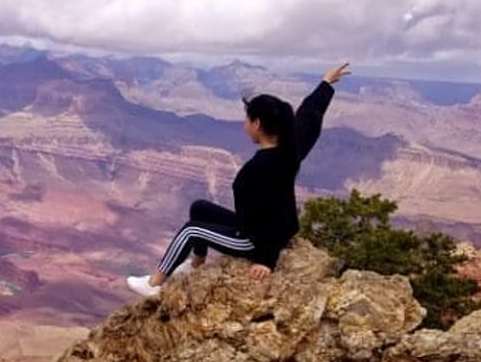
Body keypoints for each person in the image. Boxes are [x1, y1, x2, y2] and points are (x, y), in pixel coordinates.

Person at [126, 62, 352, 297]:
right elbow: (308, 118)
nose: (245, 125)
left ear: (257, 125)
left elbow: (273, 216)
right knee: (199, 208)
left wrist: (266, 259)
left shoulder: (262, 167)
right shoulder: (288, 152)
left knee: (191, 230)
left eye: (247, 120)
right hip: (254, 227)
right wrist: (325, 85)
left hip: (253, 240)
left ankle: (154, 284)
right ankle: (195, 265)